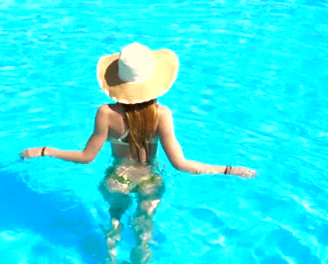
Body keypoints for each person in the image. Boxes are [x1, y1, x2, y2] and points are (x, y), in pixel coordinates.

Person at [20, 42, 257, 264]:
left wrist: (44, 150)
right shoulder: (161, 115)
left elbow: (86, 157)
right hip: (150, 180)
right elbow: (180, 164)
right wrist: (227, 170)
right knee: (144, 234)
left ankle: (111, 258)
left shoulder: (105, 113)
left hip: (117, 179)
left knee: (113, 226)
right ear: (153, 81)